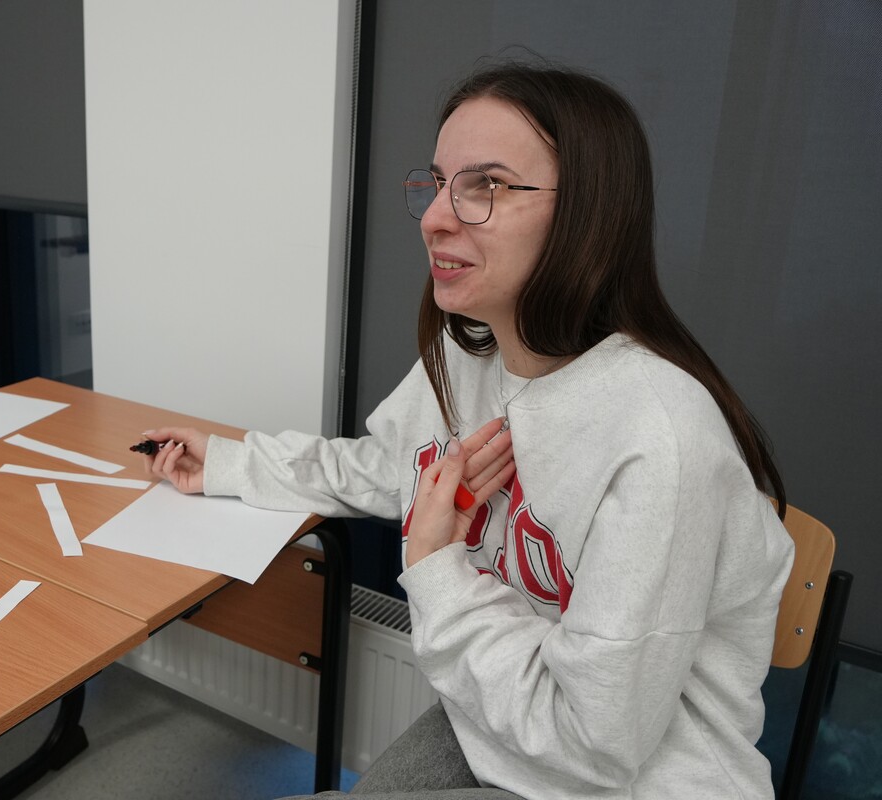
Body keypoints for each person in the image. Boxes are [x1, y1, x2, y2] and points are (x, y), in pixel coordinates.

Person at [140, 60, 794, 800]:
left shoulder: (662, 437)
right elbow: (393, 468)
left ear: (588, 215)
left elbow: (595, 745)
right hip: (502, 726)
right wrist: (229, 464)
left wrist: (435, 568)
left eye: (484, 185)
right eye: (438, 183)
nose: (434, 218)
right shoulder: (470, 353)